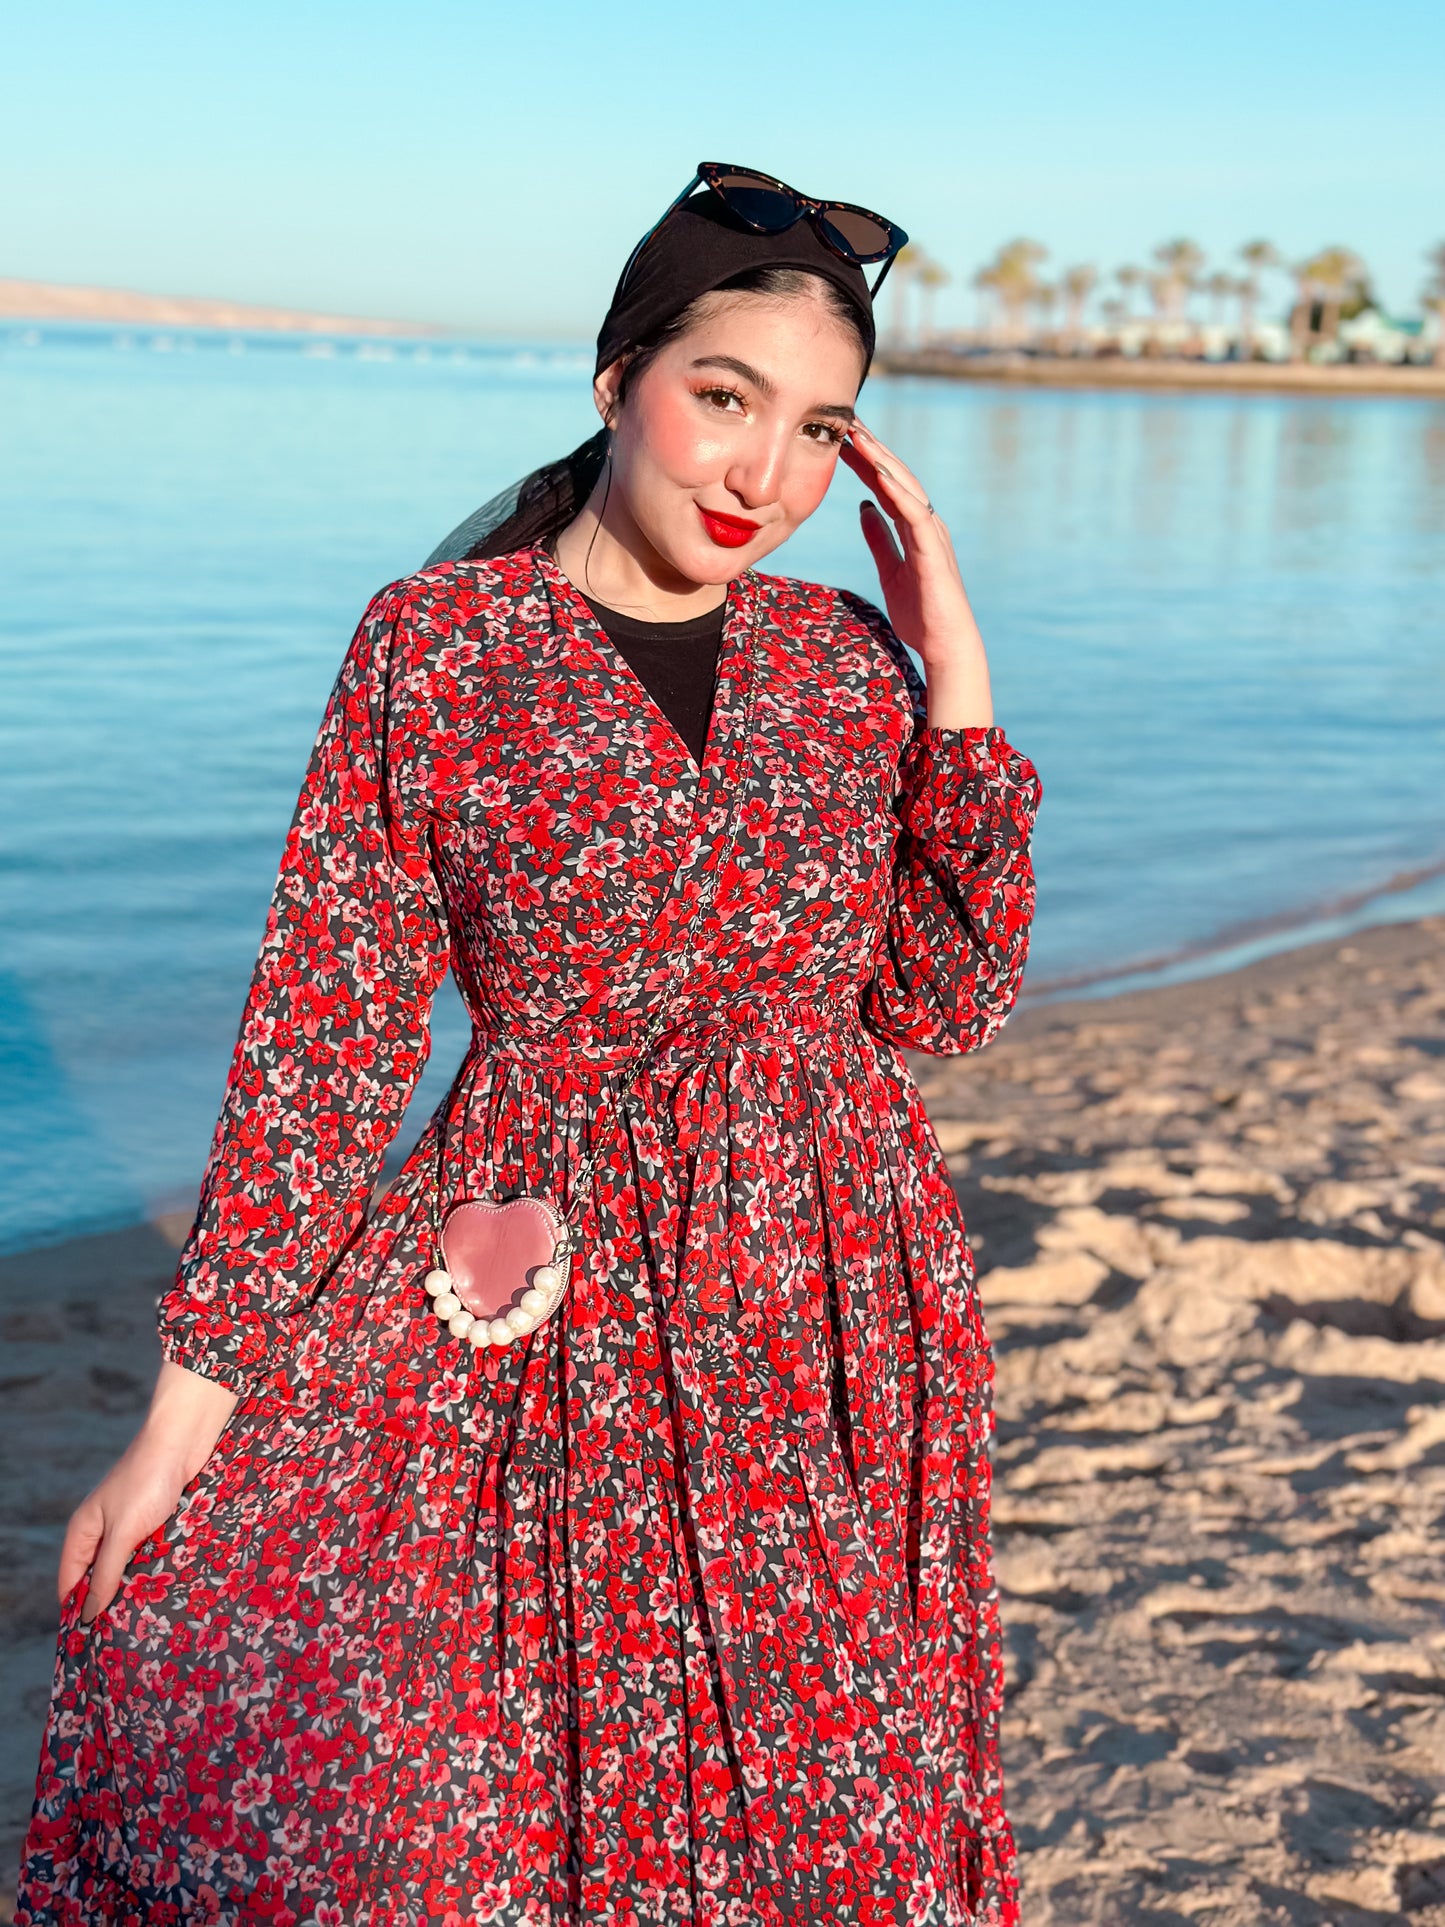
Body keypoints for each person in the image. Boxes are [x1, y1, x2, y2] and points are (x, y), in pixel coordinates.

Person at [17, 164, 1041, 1927]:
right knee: (483, 1782)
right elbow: (323, 1043)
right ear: (611, 381)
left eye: (818, 430)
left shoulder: (846, 658)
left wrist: (953, 671)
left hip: (835, 1288)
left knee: (836, 1788)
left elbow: (944, 1004)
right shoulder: (440, 647)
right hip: (548, 1272)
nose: (764, 476)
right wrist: (186, 1417)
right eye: (723, 400)